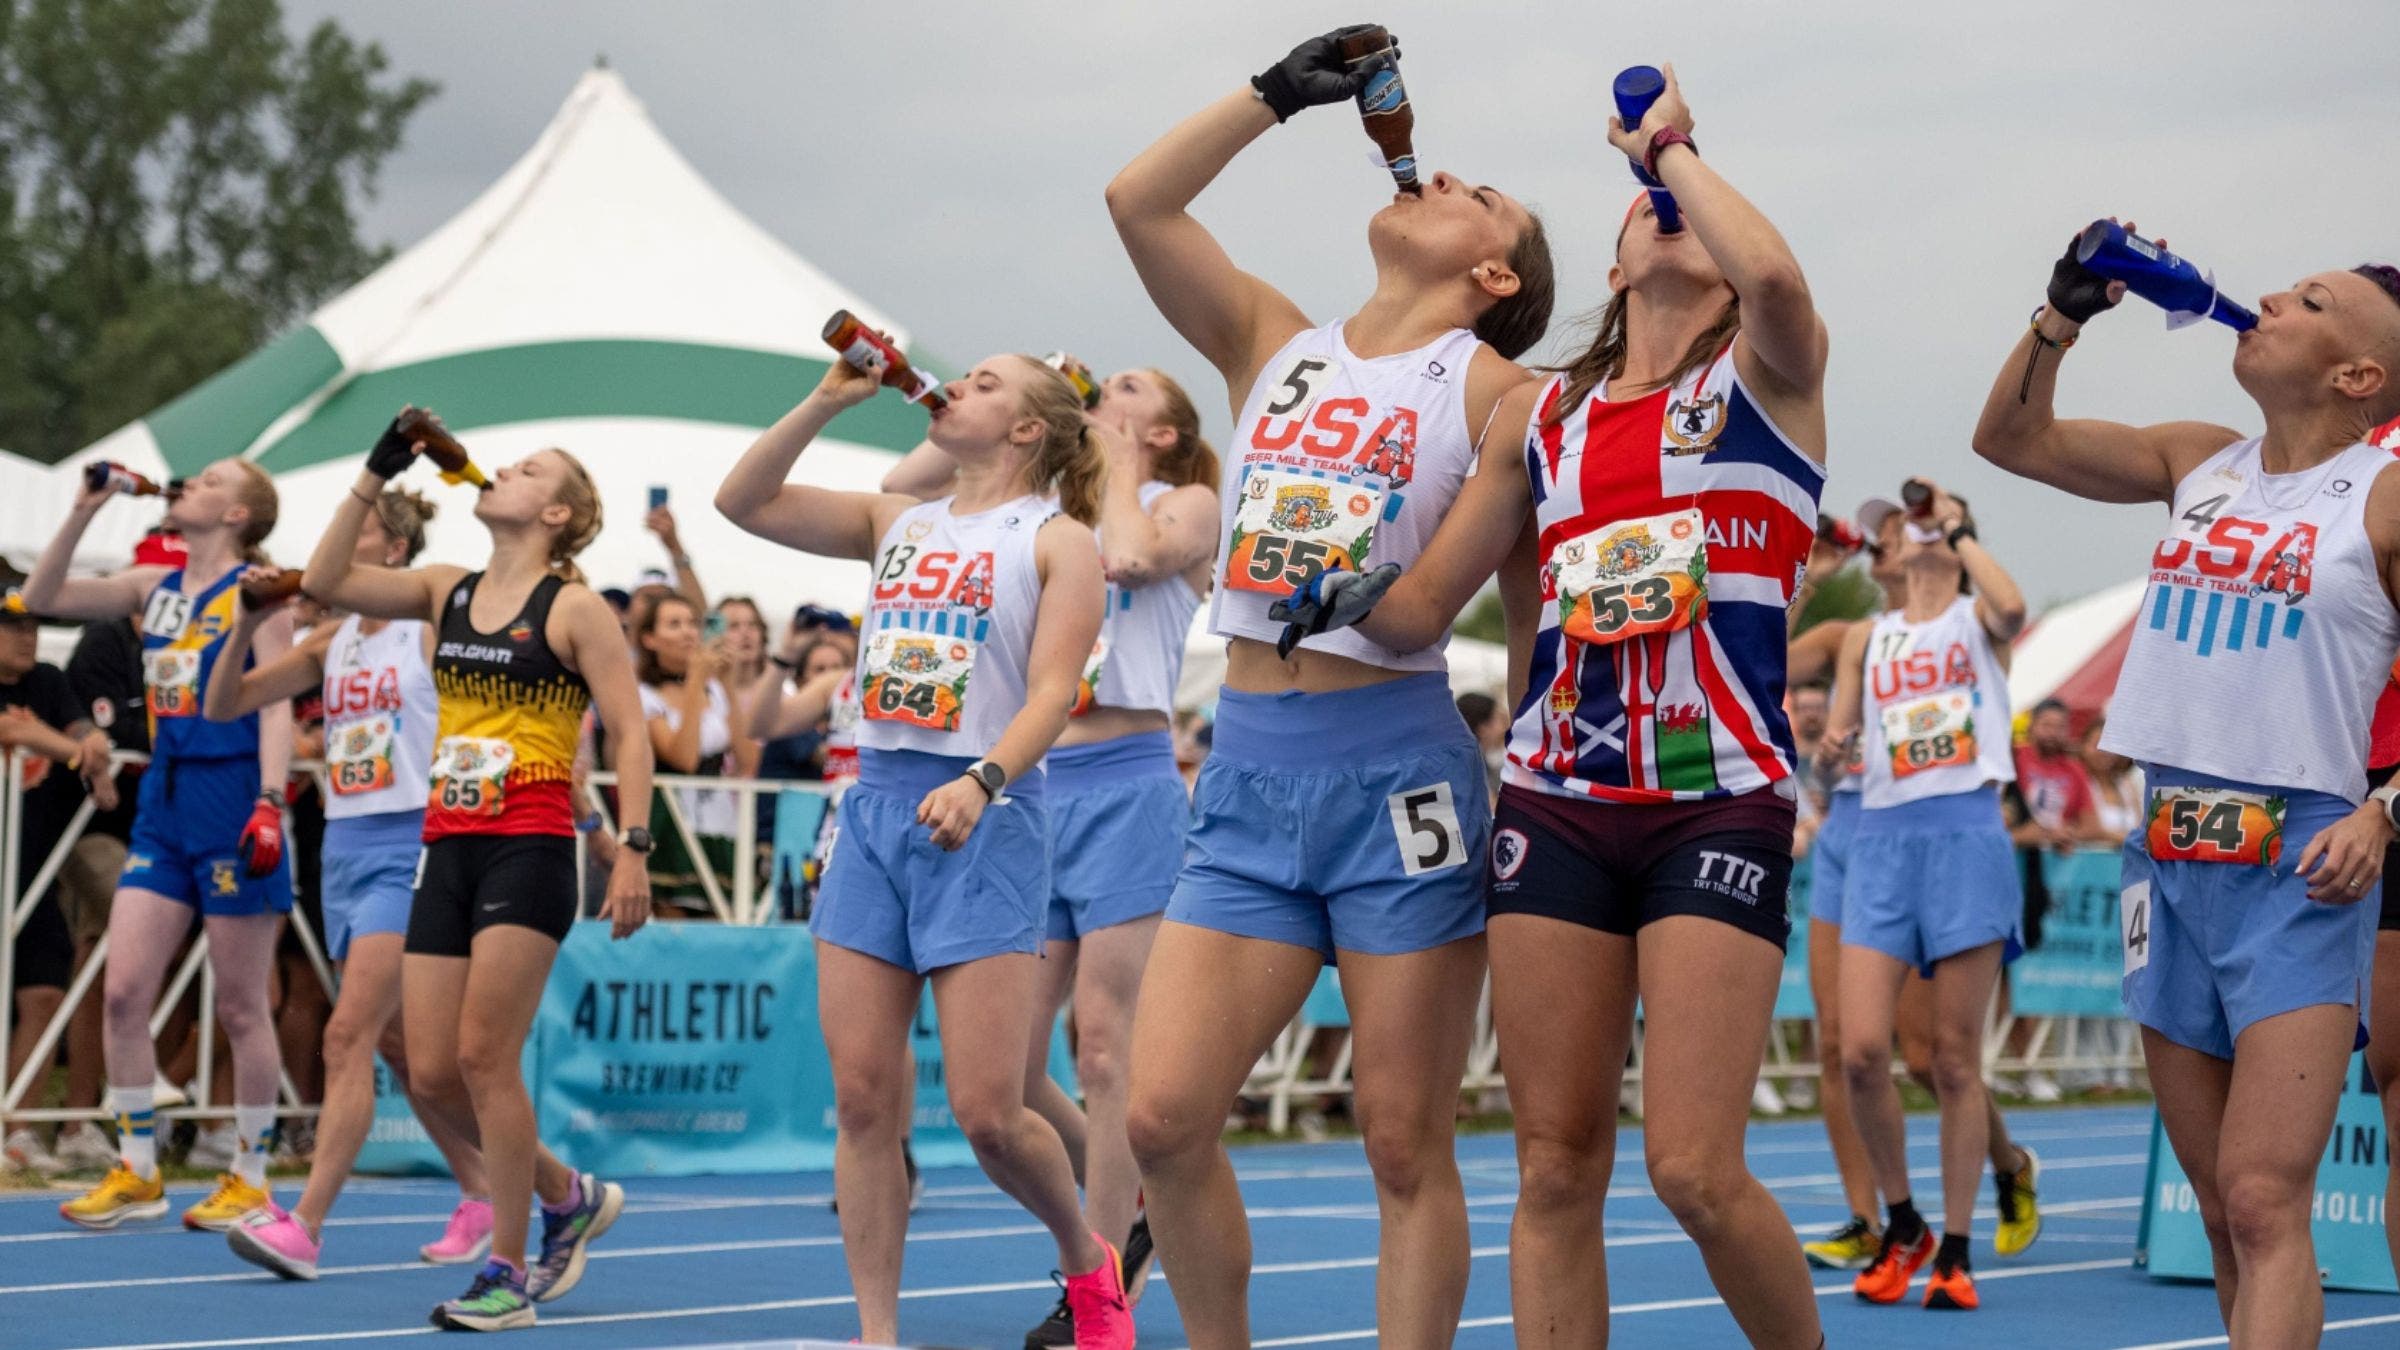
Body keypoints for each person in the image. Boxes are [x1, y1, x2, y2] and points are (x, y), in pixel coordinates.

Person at [1287, 62, 1830, 1346]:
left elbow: (1783, 283)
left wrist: (1670, 153)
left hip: (1716, 800)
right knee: (1552, 1165)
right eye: (1650, 208)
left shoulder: (1765, 381)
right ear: (1613, 260)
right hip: (1558, 799)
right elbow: (1425, 607)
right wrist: (1327, 586)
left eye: (1689, 211)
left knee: (1691, 1169)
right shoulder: (1550, 415)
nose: (1671, 215)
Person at [1105, 24, 1553, 1348]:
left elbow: (1529, 613)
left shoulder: (1499, 393)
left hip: (1399, 776)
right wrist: (1268, 99)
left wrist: (1526, 779)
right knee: (1161, 1114)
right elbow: (1138, 201)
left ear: (1489, 271)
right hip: (1245, 766)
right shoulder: (1275, 343)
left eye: (1481, 192)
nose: (1442, 170)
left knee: (1404, 1145)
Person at [1976, 241, 2400, 1341]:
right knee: (2220, 1211)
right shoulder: (2198, 462)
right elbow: (2010, 440)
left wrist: (2384, 809)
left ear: (2360, 376)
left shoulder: (2384, 499)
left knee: (2265, 1200)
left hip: (2298, 866)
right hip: (2162, 860)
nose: (2267, 298)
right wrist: (2063, 313)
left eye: (2310, 302)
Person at [717, 349, 1126, 1348]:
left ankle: (1086, 1254)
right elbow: (743, 500)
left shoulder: (1061, 542)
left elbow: (1052, 694)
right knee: (863, 1098)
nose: (959, 389)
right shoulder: (895, 520)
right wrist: (825, 399)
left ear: (1030, 428)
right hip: (877, 810)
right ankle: (877, 1332)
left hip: (984, 812)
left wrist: (982, 780)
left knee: (990, 1114)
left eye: (987, 383)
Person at [303, 414, 655, 1331]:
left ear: (558, 511)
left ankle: (505, 1271)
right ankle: (566, 1194)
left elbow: (630, 728)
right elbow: (322, 580)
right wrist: (374, 473)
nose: (501, 469)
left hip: (530, 842)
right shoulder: (443, 589)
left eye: (528, 468)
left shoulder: (573, 607)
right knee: (426, 1072)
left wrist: (635, 848)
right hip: (446, 843)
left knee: (482, 1055)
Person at [203, 486, 498, 1278]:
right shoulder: (331, 639)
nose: (337, 543)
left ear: (393, 553)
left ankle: (304, 1225)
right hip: (343, 845)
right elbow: (224, 701)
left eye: (357, 531)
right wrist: (245, 626)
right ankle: (485, 1189)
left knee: (347, 1036)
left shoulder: (427, 628)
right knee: (401, 1046)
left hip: (414, 841)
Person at [27, 460, 296, 1233]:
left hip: (233, 791)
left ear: (240, 512)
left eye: (210, 480)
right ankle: (138, 1167)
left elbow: (276, 705)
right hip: (165, 797)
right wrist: (83, 510)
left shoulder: (258, 590)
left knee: (244, 1002)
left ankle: (249, 1172)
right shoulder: (155, 587)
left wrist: (272, 801)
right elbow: (40, 600)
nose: (187, 485)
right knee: (120, 989)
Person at [1819, 478, 2027, 1312]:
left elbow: (2010, 609)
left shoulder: (1975, 623)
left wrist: (1960, 527)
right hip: (1881, 843)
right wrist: (1832, 751)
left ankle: (1959, 1248)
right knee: (1863, 1050)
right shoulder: (1867, 639)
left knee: (1950, 1060)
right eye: (1892, 534)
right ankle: (1902, 1221)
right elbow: (1835, 747)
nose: (1895, 540)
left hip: (1966, 840)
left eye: (1909, 528)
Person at [0, 586, 120, 1174]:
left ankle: (18, 1130)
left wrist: (90, 744)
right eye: (11, 625)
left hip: (29, 867)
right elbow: (13, 734)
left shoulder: (46, 679)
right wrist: (75, 755)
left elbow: (83, 731)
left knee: (44, 994)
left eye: (32, 625)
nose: (27, 635)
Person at [633, 592, 754, 916]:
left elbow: (749, 761)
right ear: (649, 639)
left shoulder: (714, 690)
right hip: (670, 820)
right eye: (674, 624)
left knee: (723, 919)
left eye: (692, 623)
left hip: (719, 820)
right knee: (674, 920)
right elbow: (683, 758)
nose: (688, 632)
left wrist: (726, 683)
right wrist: (695, 681)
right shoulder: (643, 695)